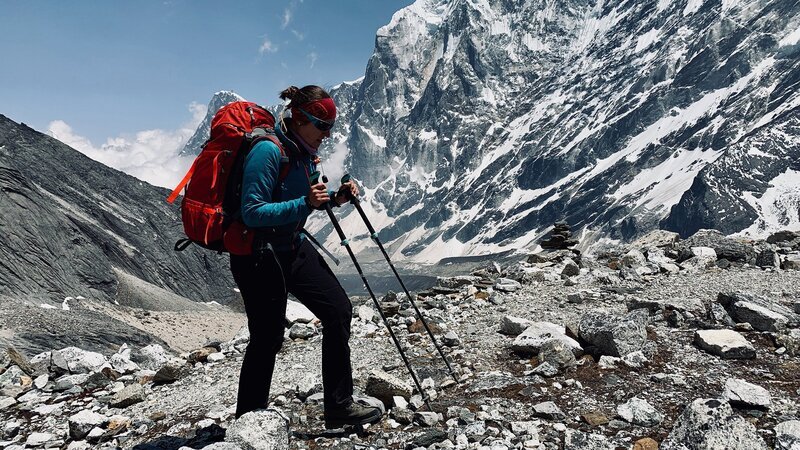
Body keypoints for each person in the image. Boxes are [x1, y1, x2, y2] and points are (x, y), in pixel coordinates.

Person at [230, 85, 382, 428]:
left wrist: (336, 198)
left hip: (292, 246)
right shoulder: (268, 152)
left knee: (339, 311)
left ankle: (339, 407)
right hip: (259, 255)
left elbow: (308, 198)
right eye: (321, 126)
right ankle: (248, 425)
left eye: (330, 128)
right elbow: (252, 212)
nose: (327, 136)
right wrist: (305, 204)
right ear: (299, 119)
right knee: (267, 339)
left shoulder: (303, 152)